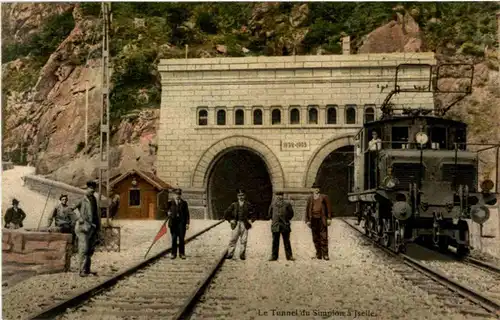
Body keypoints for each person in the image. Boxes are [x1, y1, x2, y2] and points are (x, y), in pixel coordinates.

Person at [72, 180, 101, 277]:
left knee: (90, 249)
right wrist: (78, 218)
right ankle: (81, 271)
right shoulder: (81, 199)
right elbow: (70, 210)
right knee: (83, 249)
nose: (92, 191)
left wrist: (98, 227)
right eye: (90, 189)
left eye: (93, 189)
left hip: (92, 228)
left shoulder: (94, 199)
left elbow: (96, 214)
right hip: (82, 228)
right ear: (86, 188)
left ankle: (87, 269)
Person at [224, 189, 256, 260]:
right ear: (237, 196)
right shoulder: (234, 205)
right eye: (239, 195)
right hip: (236, 223)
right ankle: (230, 254)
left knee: (244, 240)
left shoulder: (248, 205)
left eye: (242, 195)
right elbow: (226, 213)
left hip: (244, 224)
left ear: (245, 196)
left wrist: (251, 220)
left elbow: (254, 213)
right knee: (233, 239)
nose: (241, 197)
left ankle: (242, 254)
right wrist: (231, 220)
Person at [305, 183, 333, 260]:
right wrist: (307, 220)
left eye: (317, 188)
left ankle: (325, 254)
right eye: (314, 188)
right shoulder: (310, 198)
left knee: (324, 237)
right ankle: (318, 254)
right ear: (312, 190)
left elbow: (329, 208)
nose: (316, 189)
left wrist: (329, 218)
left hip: (322, 219)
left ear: (319, 189)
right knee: (315, 238)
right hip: (313, 220)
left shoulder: (324, 197)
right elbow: (307, 210)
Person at [267, 191, 295, 261]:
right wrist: (275, 220)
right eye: (278, 195)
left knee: (287, 241)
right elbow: (270, 214)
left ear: (283, 196)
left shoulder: (287, 204)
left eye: (281, 195)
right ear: (276, 196)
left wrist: (286, 219)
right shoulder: (273, 204)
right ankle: (274, 256)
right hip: (276, 225)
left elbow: (291, 214)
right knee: (275, 241)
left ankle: (289, 256)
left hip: (285, 225)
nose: (279, 197)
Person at [166, 188, 190, 259]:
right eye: (176, 194)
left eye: (179, 194)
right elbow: (165, 211)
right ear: (174, 195)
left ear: (180, 195)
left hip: (181, 224)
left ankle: (182, 253)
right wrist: (168, 213)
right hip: (173, 224)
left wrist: (187, 223)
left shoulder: (184, 203)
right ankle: (173, 254)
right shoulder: (170, 203)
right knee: (174, 239)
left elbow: (187, 214)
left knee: (181, 239)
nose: (178, 196)